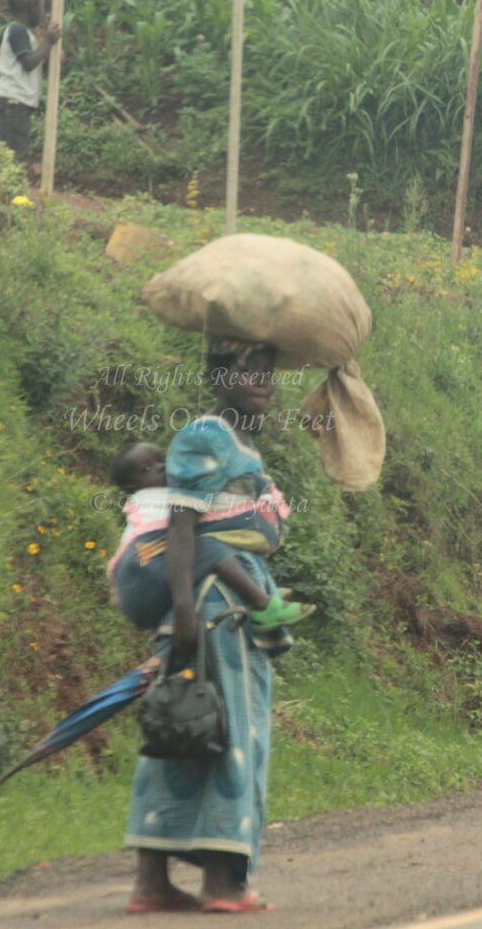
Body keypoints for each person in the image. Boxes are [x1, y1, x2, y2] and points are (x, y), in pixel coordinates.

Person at [124, 341, 296, 914]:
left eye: (268, 373)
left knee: (184, 727)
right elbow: (183, 525)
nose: (263, 382)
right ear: (219, 376)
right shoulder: (206, 434)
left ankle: (152, 884)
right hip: (214, 607)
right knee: (227, 733)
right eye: (249, 371)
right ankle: (223, 884)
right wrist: (184, 609)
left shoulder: (238, 441)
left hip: (219, 602)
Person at [106, 440, 315, 632]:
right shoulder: (153, 500)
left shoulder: (142, 507)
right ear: (131, 488)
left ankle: (261, 588)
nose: (161, 467)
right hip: (144, 585)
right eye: (147, 469)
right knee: (210, 547)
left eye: (161, 459)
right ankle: (263, 604)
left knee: (214, 541)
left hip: (137, 592)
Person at [0, 0, 61, 164]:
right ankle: (8, 182)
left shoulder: (26, 33)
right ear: (33, 7)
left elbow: (34, 63)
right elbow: (28, 63)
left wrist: (50, 54)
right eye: (42, 7)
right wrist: (48, 42)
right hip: (12, 103)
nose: (43, 13)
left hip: (15, 103)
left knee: (11, 154)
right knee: (14, 155)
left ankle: (6, 181)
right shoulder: (17, 30)